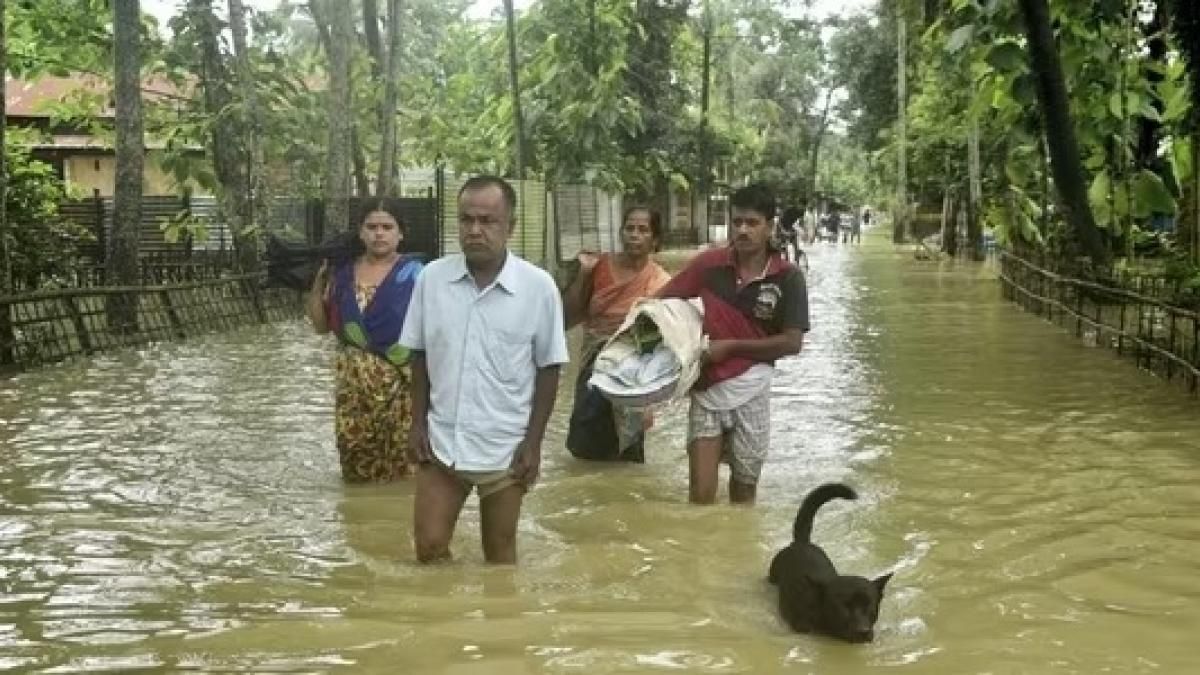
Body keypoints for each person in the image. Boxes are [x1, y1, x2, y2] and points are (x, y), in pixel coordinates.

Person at [399, 175, 569, 565]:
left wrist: (533, 443)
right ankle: (445, 623)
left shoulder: (538, 287)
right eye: (466, 220)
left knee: (500, 557)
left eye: (487, 221)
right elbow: (420, 355)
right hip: (443, 441)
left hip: (506, 448)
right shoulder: (432, 279)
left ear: (509, 227)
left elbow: (549, 368)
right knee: (429, 547)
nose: (475, 230)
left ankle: (501, 626)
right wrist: (416, 424)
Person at [657, 183, 809, 505]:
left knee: (743, 495)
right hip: (706, 386)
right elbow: (661, 305)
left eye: (752, 223)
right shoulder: (708, 266)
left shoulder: (788, 277)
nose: (742, 230)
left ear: (769, 226)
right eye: (736, 221)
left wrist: (730, 347)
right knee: (700, 498)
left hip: (753, 391)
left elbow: (792, 343)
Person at [306, 203, 424, 483]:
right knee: (355, 465)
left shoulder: (419, 275)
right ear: (360, 233)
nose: (379, 234)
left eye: (387, 227)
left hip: (404, 389)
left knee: (406, 469)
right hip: (353, 391)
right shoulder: (340, 275)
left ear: (400, 235)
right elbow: (321, 327)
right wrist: (317, 282)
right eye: (371, 227)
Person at [561, 207, 672, 463]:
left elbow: (653, 344)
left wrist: (647, 401)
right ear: (621, 232)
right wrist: (584, 275)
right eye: (629, 228)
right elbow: (568, 318)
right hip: (593, 366)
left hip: (632, 370)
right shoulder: (598, 266)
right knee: (584, 442)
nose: (634, 235)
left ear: (654, 239)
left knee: (628, 452)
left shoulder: (659, 282)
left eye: (643, 230)